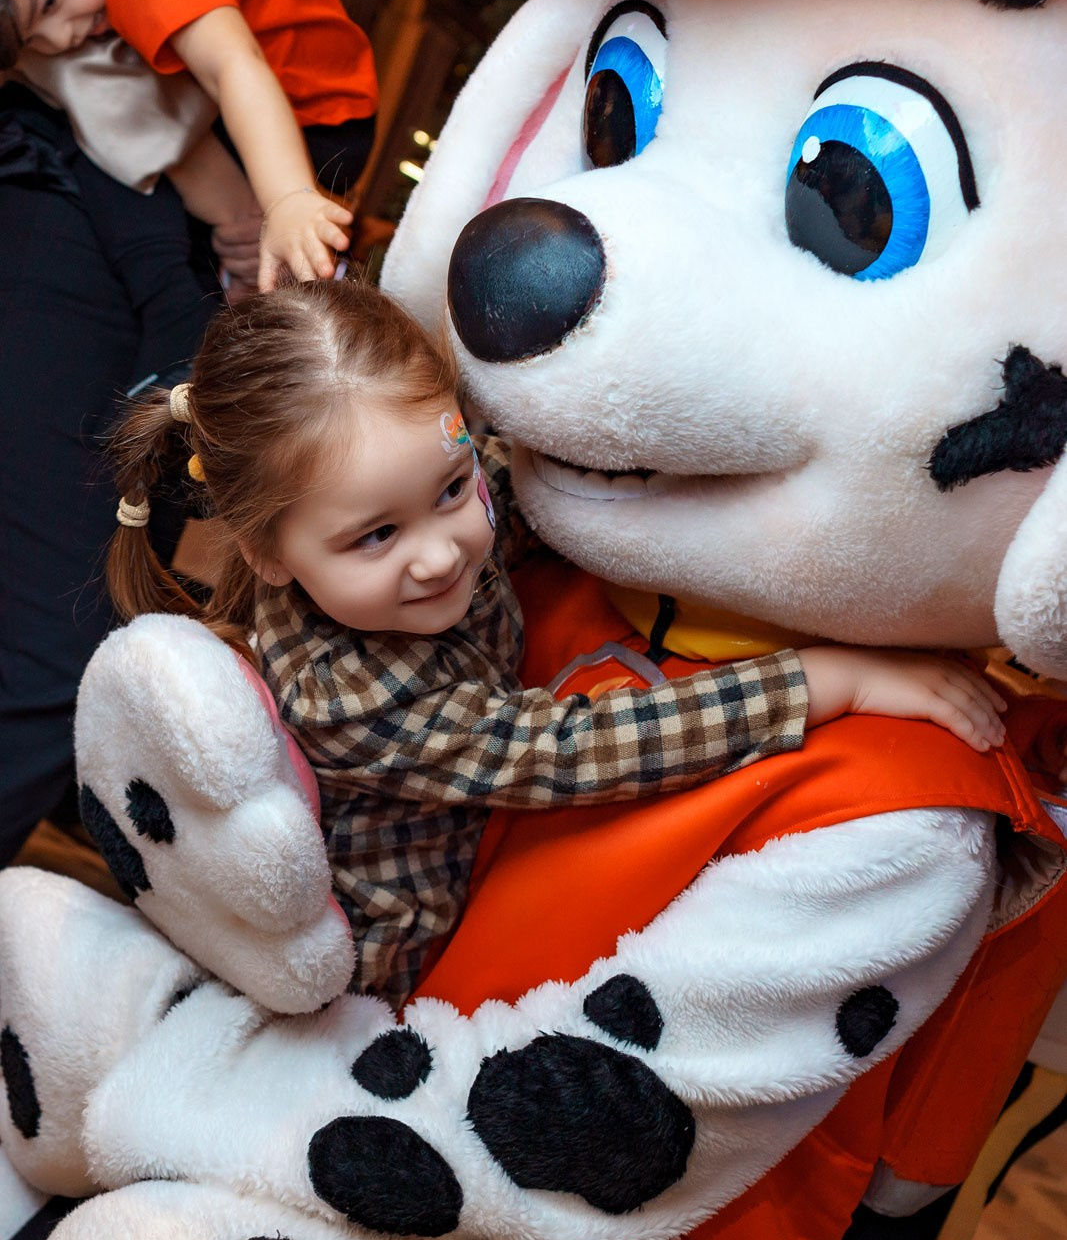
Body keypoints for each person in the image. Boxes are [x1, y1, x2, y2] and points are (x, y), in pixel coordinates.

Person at [105, 275, 1008, 1008]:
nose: (440, 553)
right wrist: (823, 680)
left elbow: (536, 487)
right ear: (267, 555)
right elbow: (567, 750)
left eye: (450, 489)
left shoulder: (456, 503)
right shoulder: (352, 694)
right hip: (375, 990)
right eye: (374, 536)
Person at [0, 0, 379, 290]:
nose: (62, 36)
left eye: (50, 0)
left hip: (316, 118)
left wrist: (289, 199)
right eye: (34, 40)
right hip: (298, 111)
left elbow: (233, 66)